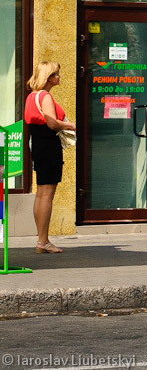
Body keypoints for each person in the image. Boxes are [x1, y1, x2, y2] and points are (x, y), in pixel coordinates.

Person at [24, 62, 75, 254]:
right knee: (47, 195)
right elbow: (52, 123)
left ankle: (41, 240)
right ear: (48, 77)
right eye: (56, 74)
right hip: (48, 146)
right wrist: (69, 126)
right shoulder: (45, 96)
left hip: (38, 145)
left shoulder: (32, 96)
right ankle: (43, 241)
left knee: (40, 194)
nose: (59, 77)